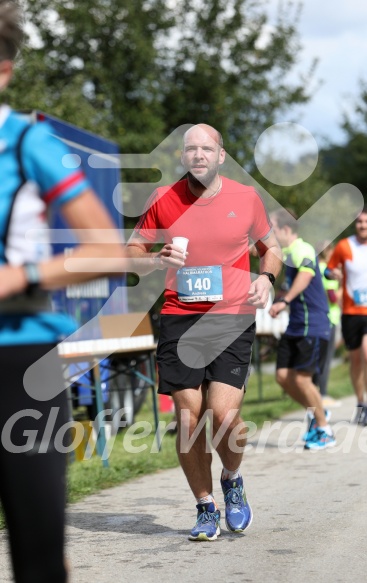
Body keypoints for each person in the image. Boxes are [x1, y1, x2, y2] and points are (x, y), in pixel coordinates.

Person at [0, 3, 125, 581]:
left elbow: (106, 249)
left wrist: (20, 278)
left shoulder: (27, 144)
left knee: (38, 552)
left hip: (21, 362)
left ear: (4, 67)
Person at [126, 123, 282, 541]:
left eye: (206, 148)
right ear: (182, 157)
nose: (198, 155)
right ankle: (205, 505)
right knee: (188, 418)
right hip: (179, 317)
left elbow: (273, 248)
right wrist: (156, 260)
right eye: (190, 149)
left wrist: (266, 278)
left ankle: (232, 478)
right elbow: (132, 254)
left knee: (224, 417)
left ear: (221, 156)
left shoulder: (246, 198)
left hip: (231, 317)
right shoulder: (163, 199)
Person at [269, 208, 336, 450]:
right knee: (283, 377)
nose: (271, 234)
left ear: (286, 229)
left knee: (302, 379)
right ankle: (319, 409)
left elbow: (306, 275)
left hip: (313, 324)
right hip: (296, 325)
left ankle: (324, 430)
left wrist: (284, 300)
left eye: (273, 229)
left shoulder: (303, 249)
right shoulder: (286, 254)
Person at [327, 205, 367, 425]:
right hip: (351, 311)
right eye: (360, 222)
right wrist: (332, 273)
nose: (363, 225)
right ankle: (360, 402)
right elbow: (329, 268)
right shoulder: (345, 246)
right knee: (355, 360)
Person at [316, 242, 342, 408]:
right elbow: (332, 297)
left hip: (318, 318)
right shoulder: (327, 270)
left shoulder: (315, 267)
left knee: (319, 359)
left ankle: (318, 394)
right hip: (329, 319)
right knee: (325, 360)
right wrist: (344, 287)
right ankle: (322, 395)